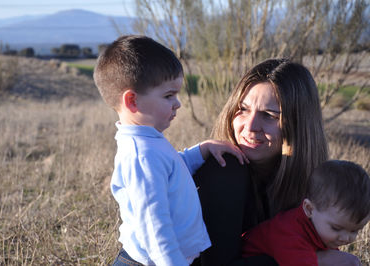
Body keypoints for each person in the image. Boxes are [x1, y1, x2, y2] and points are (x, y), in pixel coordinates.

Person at [93, 35, 248, 266]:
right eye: (168, 96)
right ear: (132, 101)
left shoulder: (149, 141)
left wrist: (202, 150)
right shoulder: (142, 155)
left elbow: (172, 168)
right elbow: (155, 228)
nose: (178, 103)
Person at [193, 58, 362, 265]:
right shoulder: (224, 171)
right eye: (243, 109)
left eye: (269, 115)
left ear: (298, 126)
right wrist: (316, 260)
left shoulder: (315, 185)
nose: (251, 125)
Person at [242, 160, 370, 266]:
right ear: (309, 209)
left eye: (355, 231)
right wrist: (324, 259)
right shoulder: (289, 231)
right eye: (336, 228)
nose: (346, 238)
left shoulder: (323, 231)